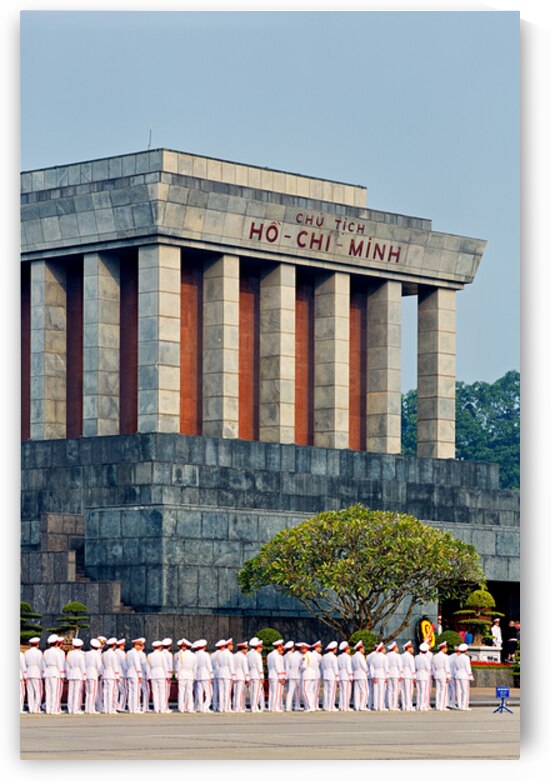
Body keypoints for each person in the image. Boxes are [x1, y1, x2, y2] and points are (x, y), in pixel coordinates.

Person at [42, 635, 64, 714]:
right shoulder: (57, 652)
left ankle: (48, 709)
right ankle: (53, 709)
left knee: (48, 691)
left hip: (47, 672)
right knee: (55, 692)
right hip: (55, 672)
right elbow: (60, 664)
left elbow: (43, 664)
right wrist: (62, 675)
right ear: (57, 643)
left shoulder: (45, 652)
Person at [174, 638, 196, 713]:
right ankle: (190, 708)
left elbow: (178, 666)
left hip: (182, 674)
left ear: (185, 647)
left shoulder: (181, 655)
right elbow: (195, 667)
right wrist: (194, 676)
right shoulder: (194, 655)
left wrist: (177, 674)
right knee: (189, 692)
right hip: (190, 674)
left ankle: (181, 708)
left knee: (181, 692)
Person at [65, 637, 86, 714]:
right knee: (77, 692)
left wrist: (68, 675)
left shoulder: (69, 654)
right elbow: (82, 666)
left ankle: (70, 709)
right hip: (78, 674)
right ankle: (76, 709)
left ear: (73, 646)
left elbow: (67, 666)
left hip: (71, 673)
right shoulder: (81, 655)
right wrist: (84, 677)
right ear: (81, 646)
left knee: (70, 692)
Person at [23, 637, 43, 714]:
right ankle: (36, 708)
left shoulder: (26, 652)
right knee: (37, 691)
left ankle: (31, 708)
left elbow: (24, 664)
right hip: (36, 672)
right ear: (37, 644)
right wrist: (41, 673)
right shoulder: (39, 652)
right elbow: (40, 664)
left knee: (30, 691)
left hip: (28, 672)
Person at [125, 638, 145, 714]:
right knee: (136, 691)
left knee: (131, 692)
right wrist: (140, 675)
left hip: (129, 673)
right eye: (140, 645)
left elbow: (126, 663)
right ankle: (136, 708)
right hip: (135, 673)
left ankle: (131, 708)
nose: (140, 647)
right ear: (136, 645)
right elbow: (137, 664)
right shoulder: (135, 653)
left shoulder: (129, 652)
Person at [193, 639, 214, 713]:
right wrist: (211, 675)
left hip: (198, 675)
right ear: (204, 647)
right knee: (209, 692)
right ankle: (206, 706)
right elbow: (209, 665)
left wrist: (195, 675)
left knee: (199, 692)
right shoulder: (206, 654)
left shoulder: (195, 655)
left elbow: (194, 667)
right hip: (205, 674)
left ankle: (200, 706)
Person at [101, 637, 121, 714]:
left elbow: (102, 665)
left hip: (105, 674)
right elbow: (115, 666)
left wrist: (103, 674)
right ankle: (111, 709)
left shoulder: (104, 654)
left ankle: (106, 708)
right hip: (112, 674)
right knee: (111, 692)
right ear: (114, 645)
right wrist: (117, 676)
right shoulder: (113, 654)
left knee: (105, 692)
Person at [216, 639, 236, 713]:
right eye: (231, 645)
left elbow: (218, 665)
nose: (232, 647)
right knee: (227, 691)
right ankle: (227, 708)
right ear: (229, 646)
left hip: (220, 673)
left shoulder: (220, 654)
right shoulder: (230, 654)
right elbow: (231, 665)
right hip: (227, 674)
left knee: (221, 692)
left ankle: (221, 707)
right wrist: (233, 675)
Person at [267, 639, 286, 712]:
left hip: (271, 675)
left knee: (272, 692)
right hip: (276, 676)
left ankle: (271, 707)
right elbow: (278, 667)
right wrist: (281, 677)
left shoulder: (270, 655)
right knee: (277, 692)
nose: (282, 649)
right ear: (279, 647)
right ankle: (275, 707)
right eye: (281, 647)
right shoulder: (277, 656)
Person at [453, 643, 474, 710]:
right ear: (465, 650)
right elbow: (467, 667)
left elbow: (455, 667)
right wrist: (470, 675)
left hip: (458, 674)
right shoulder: (466, 658)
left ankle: (459, 705)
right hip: (464, 675)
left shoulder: (456, 658)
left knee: (459, 691)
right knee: (465, 691)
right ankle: (464, 706)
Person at [84, 638, 102, 714]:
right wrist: (99, 674)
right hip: (93, 673)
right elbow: (99, 666)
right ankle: (91, 708)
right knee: (93, 692)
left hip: (86, 673)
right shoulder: (97, 655)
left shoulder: (86, 654)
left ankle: (87, 708)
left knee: (88, 692)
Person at [431, 641, 451, 711]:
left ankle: (438, 705)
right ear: (443, 648)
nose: (447, 649)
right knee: (443, 690)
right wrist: (448, 676)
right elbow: (446, 667)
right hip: (443, 674)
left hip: (437, 674)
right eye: (446, 648)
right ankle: (442, 706)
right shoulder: (445, 657)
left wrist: (433, 674)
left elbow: (432, 666)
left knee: (438, 690)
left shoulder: (435, 656)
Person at [369, 642, 388, 711]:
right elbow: (386, 667)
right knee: (382, 691)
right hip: (382, 675)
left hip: (376, 675)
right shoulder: (384, 657)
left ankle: (376, 706)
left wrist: (373, 676)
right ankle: (381, 706)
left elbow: (371, 667)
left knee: (376, 691)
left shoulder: (374, 657)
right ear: (381, 649)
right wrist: (386, 676)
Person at [298, 642, 317, 712]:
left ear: (305, 649)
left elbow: (304, 666)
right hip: (313, 674)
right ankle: (312, 706)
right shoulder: (313, 655)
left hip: (306, 675)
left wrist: (299, 668)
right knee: (310, 692)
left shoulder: (305, 656)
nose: (301, 650)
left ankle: (309, 707)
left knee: (305, 691)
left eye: (302, 649)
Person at [247, 638, 265, 712]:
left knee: (252, 692)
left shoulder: (248, 654)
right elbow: (259, 667)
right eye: (260, 647)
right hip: (257, 675)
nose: (261, 649)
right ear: (257, 647)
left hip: (251, 674)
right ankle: (254, 707)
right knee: (256, 693)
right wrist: (262, 677)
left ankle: (254, 706)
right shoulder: (257, 655)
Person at [321, 641, 339, 712]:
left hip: (326, 674)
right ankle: (331, 706)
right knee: (332, 691)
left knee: (326, 691)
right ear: (334, 649)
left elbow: (322, 667)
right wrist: (337, 677)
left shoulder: (324, 656)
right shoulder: (333, 657)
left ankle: (325, 706)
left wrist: (323, 674)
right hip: (332, 675)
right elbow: (335, 667)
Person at [232, 641, 250, 713]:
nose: (246, 651)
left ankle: (235, 706)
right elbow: (245, 668)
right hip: (241, 676)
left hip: (235, 676)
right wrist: (247, 678)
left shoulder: (234, 656)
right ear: (243, 649)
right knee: (239, 692)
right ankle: (237, 707)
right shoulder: (243, 657)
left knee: (236, 692)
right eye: (246, 649)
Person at [284, 641, 301, 711]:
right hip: (298, 675)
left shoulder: (285, 656)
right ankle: (297, 705)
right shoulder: (298, 656)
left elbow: (286, 667)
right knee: (298, 692)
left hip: (290, 675)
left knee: (290, 692)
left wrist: (286, 677)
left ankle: (288, 707)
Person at [351, 641, 368, 711]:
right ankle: (362, 706)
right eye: (363, 648)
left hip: (356, 674)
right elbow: (364, 667)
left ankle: (356, 706)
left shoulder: (353, 656)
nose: (363, 650)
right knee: (365, 691)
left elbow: (352, 666)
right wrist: (367, 671)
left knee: (357, 691)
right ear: (360, 648)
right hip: (362, 674)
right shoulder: (361, 656)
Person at [414, 642, 432, 711]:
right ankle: (422, 705)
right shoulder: (426, 658)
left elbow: (415, 666)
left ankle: (418, 705)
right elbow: (428, 667)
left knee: (419, 691)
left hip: (418, 674)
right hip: (424, 675)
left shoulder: (416, 657)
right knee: (423, 691)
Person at [385, 641, 402, 711]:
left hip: (389, 673)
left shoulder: (387, 655)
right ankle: (394, 706)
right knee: (395, 690)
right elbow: (400, 666)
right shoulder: (397, 655)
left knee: (389, 690)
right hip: (396, 673)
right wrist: (401, 674)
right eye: (396, 647)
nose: (397, 648)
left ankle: (389, 705)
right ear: (394, 648)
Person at [400, 641, 416, 711]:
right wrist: (414, 677)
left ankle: (404, 706)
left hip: (403, 675)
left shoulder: (401, 656)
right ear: (408, 648)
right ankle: (409, 706)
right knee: (409, 691)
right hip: (409, 675)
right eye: (411, 647)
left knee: (403, 691)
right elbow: (412, 667)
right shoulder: (410, 656)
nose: (412, 649)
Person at [337, 641, 353, 711]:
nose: (349, 650)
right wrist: (350, 676)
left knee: (342, 691)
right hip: (346, 675)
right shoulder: (347, 657)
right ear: (346, 649)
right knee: (347, 692)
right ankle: (346, 706)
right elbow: (348, 667)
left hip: (341, 675)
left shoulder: (339, 657)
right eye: (348, 648)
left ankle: (341, 705)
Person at [160, 638, 174, 713]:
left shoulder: (160, 653)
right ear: (169, 646)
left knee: (160, 692)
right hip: (166, 675)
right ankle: (165, 707)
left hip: (160, 674)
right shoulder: (169, 654)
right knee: (166, 692)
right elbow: (170, 666)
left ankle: (160, 706)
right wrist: (169, 676)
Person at [115, 639, 128, 712]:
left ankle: (115, 705)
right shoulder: (122, 653)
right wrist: (126, 671)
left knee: (116, 691)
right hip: (122, 673)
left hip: (115, 673)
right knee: (124, 691)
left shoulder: (115, 652)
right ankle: (121, 706)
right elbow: (124, 665)